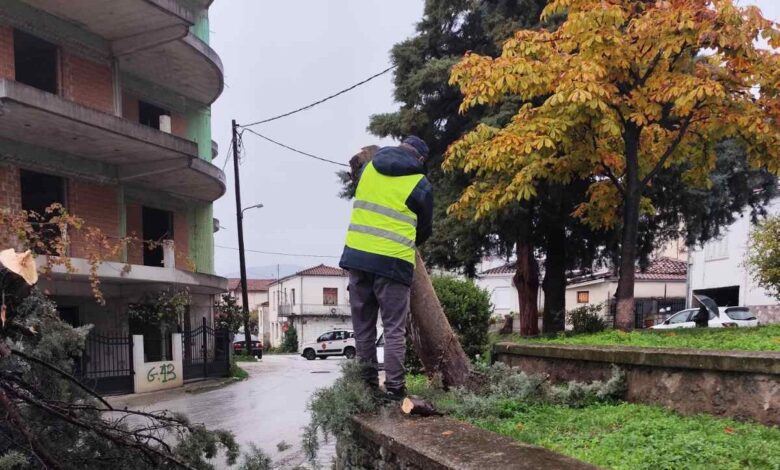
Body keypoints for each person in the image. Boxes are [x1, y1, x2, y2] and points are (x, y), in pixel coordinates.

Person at [339, 136, 433, 401]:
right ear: (421, 159)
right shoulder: (420, 183)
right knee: (393, 328)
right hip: (393, 262)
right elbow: (424, 228)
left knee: (363, 328)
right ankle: (394, 388)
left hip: (357, 257)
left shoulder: (369, 168)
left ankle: (368, 387)